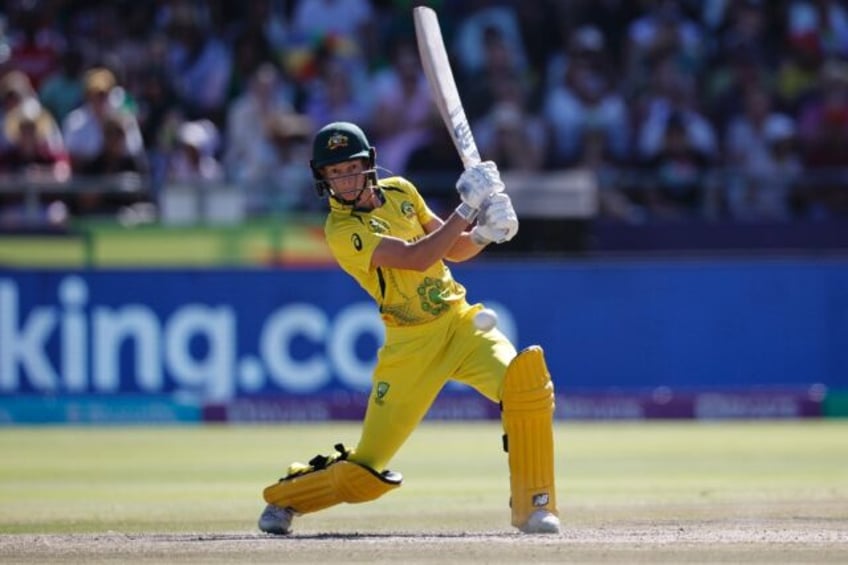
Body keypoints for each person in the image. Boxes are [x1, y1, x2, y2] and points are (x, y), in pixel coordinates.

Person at [257, 121, 560, 535]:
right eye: (334, 173)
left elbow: (451, 248)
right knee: (364, 470)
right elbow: (417, 258)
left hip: (460, 322)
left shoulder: (400, 191)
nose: (343, 180)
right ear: (322, 179)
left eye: (350, 168)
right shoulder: (341, 230)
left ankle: (535, 505)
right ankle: (286, 497)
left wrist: (486, 233)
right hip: (410, 347)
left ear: (368, 165)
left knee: (525, 387)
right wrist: (468, 209)